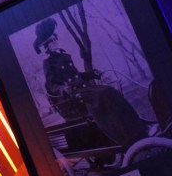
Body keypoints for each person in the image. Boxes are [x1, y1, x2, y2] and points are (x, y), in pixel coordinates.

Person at [34, 17, 148, 150]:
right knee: (103, 94)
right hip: (73, 96)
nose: (56, 41)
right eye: (52, 41)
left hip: (84, 90)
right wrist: (63, 88)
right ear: (47, 46)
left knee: (110, 91)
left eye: (55, 38)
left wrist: (93, 74)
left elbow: (77, 75)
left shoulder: (65, 56)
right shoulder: (48, 63)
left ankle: (136, 129)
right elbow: (51, 85)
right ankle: (125, 138)